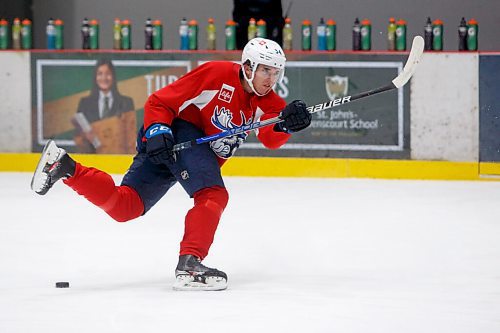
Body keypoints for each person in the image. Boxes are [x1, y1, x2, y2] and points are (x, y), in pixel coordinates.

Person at [30, 38, 311, 291]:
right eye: (265, 70)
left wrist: (288, 125)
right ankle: (190, 264)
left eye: (276, 72)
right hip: (179, 133)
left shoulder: (272, 102)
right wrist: (157, 131)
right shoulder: (218, 73)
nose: (270, 78)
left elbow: (270, 138)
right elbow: (160, 101)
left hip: (189, 150)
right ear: (248, 66)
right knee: (212, 194)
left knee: (126, 206)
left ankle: (64, 167)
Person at [73, 59, 136, 153]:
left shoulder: (126, 102)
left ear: (113, 77)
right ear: (95, 77)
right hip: (92, 160)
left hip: (118, 161)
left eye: (108, 73)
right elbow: (78, 140)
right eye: (100, 74)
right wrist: (85, 137)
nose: (104, 78)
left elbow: (131, 140)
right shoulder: (84, 103)